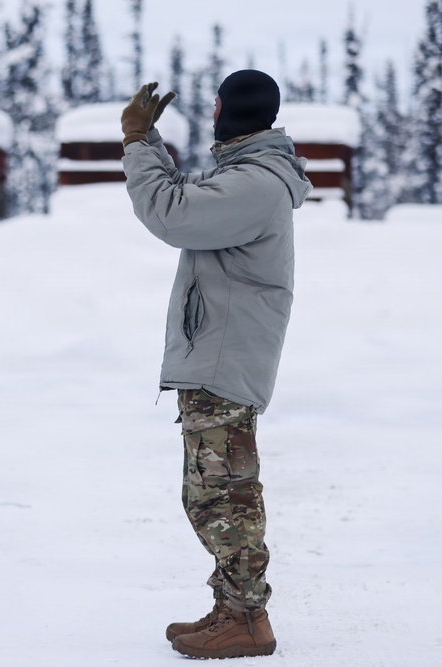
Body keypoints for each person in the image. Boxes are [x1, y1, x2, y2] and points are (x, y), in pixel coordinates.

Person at [119, 70, 312, 659]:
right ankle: (234, 608)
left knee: (225, 498)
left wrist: (133, 143)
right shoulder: (244, 176)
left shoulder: (256, 183)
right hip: (217, 352)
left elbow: (171, 214)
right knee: (209, 494)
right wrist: (149, 146)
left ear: (232, 110)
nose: (211, 115)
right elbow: (181, 194)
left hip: (224, 356)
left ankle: (247, 618)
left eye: (218, 105)